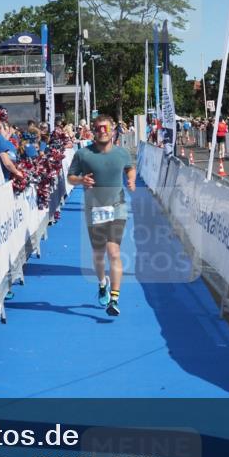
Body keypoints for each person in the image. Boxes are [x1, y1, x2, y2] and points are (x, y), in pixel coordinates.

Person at [67, 115, 136, 318]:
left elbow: (130, 169)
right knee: (98, 255)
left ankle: (114, 299)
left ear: (113, 130)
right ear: (93, 131)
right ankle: (102, 283)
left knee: (113, 252)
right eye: (98, 129)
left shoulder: (122, 153)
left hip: (117, 208)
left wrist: (131, 180)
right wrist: (81, 180)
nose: (102, 132)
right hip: (94, 209)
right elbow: (70, 178)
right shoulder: (83, 154)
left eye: (106, 128)